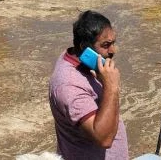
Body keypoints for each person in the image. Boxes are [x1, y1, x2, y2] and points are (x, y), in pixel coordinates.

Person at [49, 10, 128, 159]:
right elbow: (103, 139)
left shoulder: (84, 63)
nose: (113, 50)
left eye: (113, 43)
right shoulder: (69, 85)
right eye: (106, 45)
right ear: (84, 47)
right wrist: (111, 87)